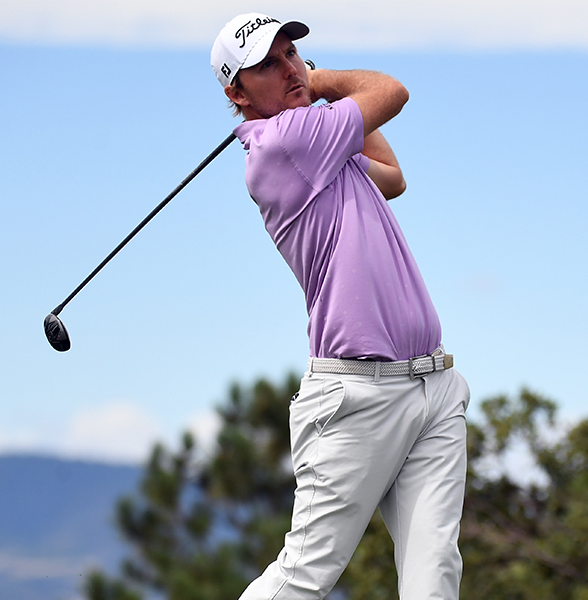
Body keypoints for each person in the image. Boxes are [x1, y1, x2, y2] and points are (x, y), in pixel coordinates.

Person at [210, 12, 470, 600]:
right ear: (237, 93)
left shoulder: (321, 145)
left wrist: (312, 92)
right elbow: (391, 92)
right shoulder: (285, 146)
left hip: (432, 384)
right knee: (305, 574)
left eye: (292, 56)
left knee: (435, 576)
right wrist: (323, 82)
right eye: (267, 66)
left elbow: (393, 178)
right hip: (357, 396)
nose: (288, 69)